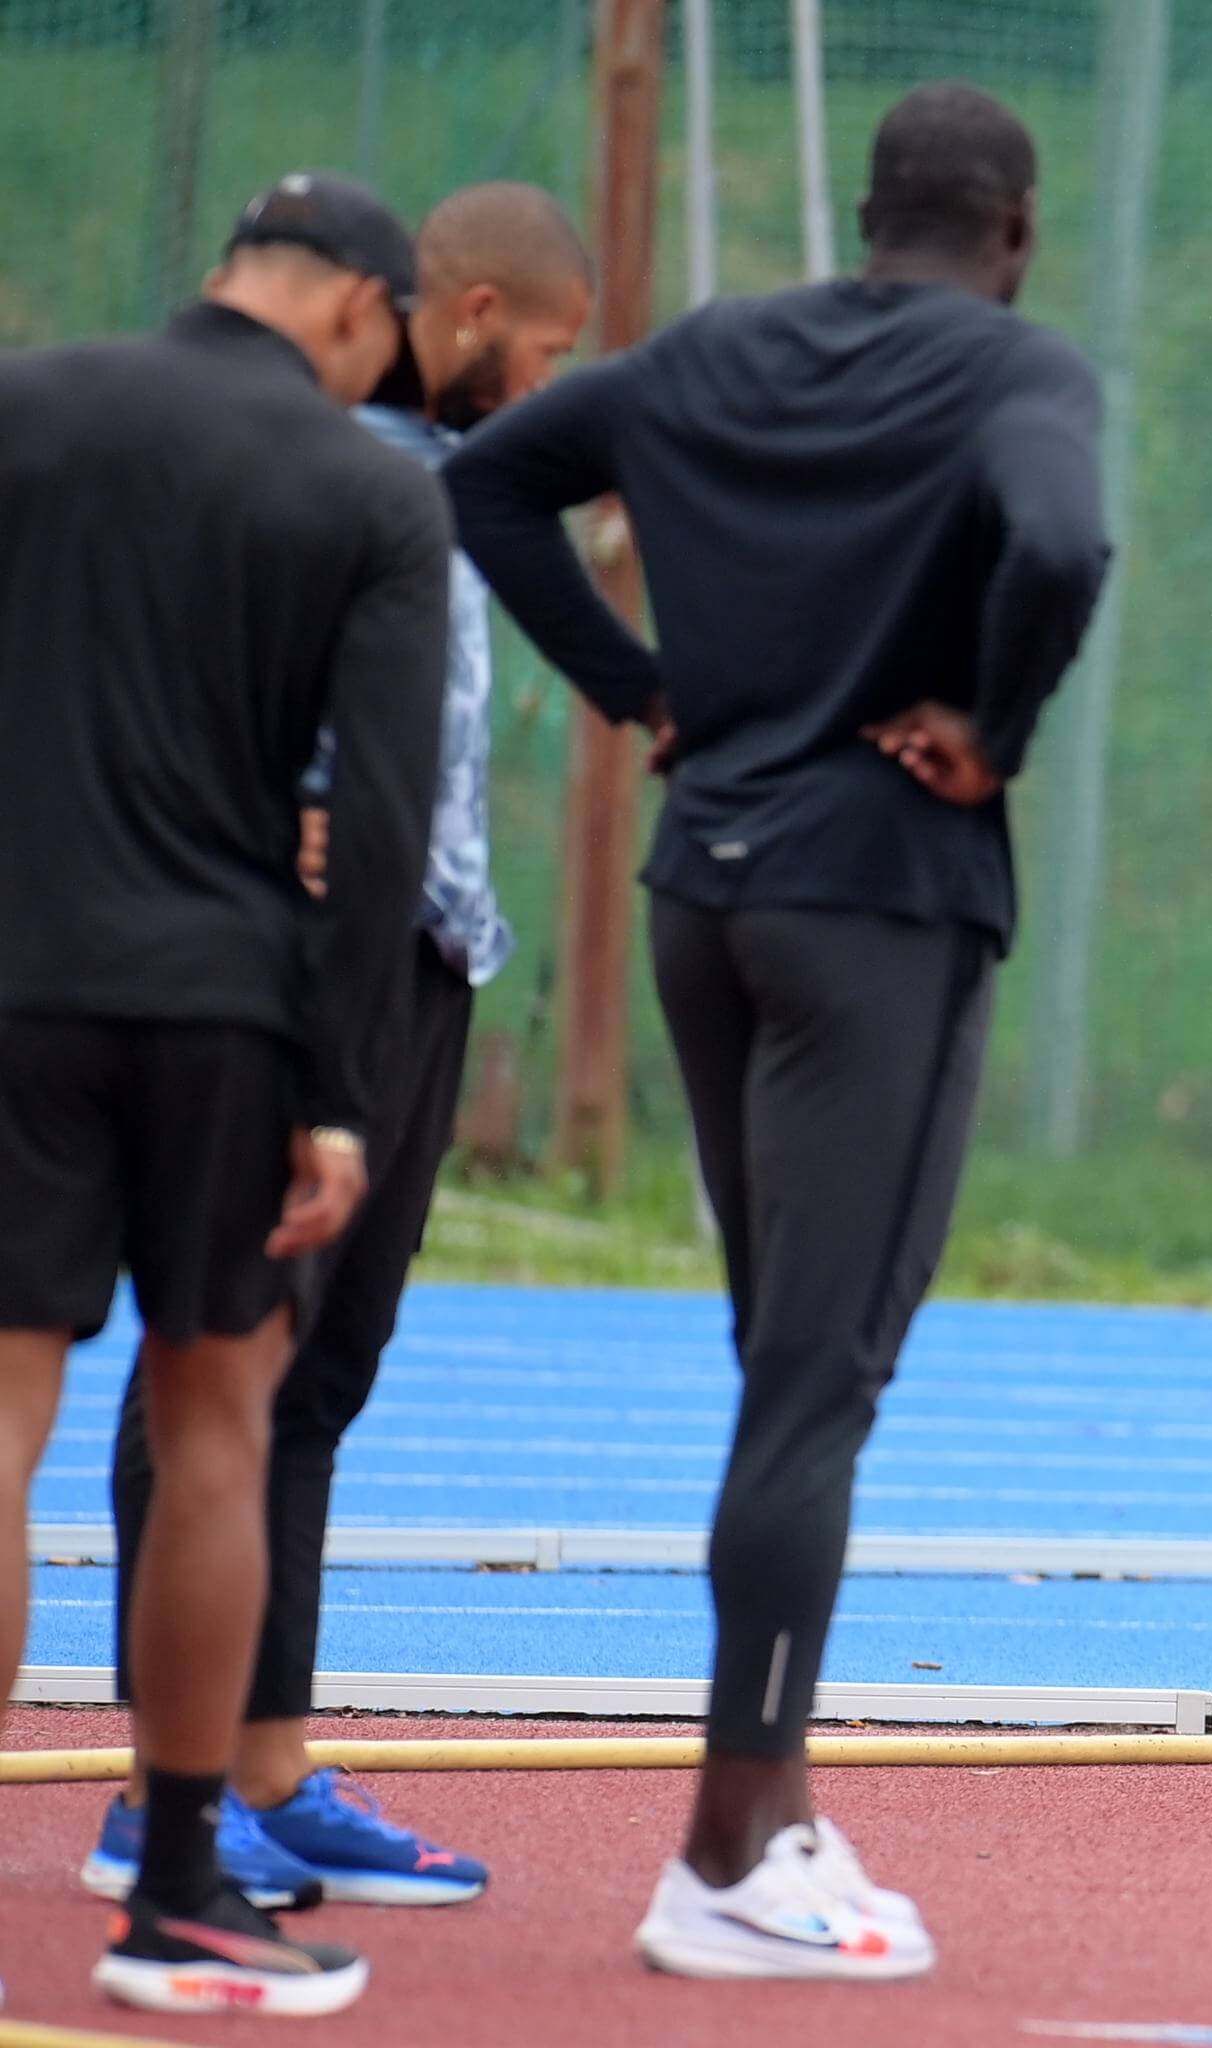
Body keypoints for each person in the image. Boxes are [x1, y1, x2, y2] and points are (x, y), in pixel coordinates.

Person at [443, 81, 1109, 1979]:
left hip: (703, 898)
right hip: (871, 910)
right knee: (817, 1382)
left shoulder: (717, 350)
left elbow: (489, 481)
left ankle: (777, 1807)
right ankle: (728, 1851)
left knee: (779, 1365)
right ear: (1016, 231)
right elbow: (1058, 552)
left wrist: (639, 695)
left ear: (875, 216)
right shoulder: (1017, 373)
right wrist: (991, 726)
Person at [93, 181, 594, 1916]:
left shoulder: (452, 482)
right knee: (219, 1363)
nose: (544, 388)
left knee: (322, 1371)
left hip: (425, 943)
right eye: (539, 352)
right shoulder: (278, 460)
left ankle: (266, 1765)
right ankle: (160, 1797)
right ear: (447, 315)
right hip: (289, 950)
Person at [0, 172, 448, 2016]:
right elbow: (392, 819)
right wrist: (341, 1094)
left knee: (1, 1414)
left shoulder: (24, 408)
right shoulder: (365, 489)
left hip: (12, 975)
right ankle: (177, 1887)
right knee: (214, 1429)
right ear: (357, 307)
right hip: (220, 1013)